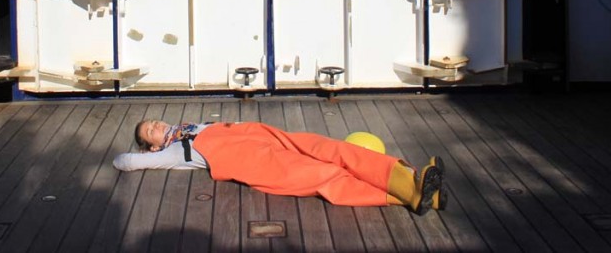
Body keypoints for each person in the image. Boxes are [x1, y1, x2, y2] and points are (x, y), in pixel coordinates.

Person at [113, 119, 445, 213]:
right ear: (152, 145)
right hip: (252, 161)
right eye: (149, 131)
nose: (155, 125)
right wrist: (142, 157)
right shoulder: (172, 152)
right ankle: (412, 192)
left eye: (154, 122)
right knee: (323, 175)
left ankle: (411, 180)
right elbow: (124, 162)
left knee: (332, 149)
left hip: (262, 135)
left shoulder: (191, 126)